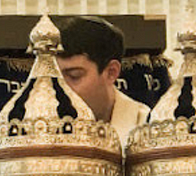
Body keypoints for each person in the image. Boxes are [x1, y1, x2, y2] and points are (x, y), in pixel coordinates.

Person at [56, 16, 150, 146]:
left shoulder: (146, 128)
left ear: (111, 72)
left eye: (74, 76)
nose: (61, 89)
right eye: (56, 79)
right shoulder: (37, 126)